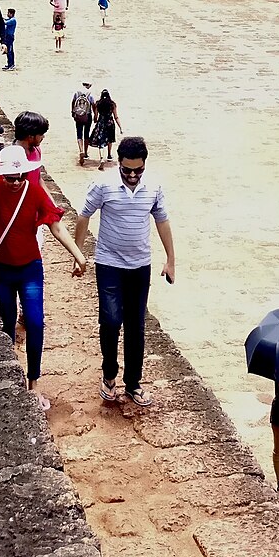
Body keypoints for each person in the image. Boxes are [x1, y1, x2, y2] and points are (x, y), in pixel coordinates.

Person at [0, 140, 87, 411]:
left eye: (19, 176)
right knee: (7, 323)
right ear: (1, 174)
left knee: (34, 322)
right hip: (2, 270)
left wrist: (78, 255)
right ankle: (11, 377)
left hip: (30, 267)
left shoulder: (33, 192)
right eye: (9, 177)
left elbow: (56, 227)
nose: (15, 182)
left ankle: (33, 383)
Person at [73, 136, 175, 407]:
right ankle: (109, 376)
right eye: (127, 170)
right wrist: (78, 254)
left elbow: (162, 221)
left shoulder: (153, 187)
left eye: (137, 170)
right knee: (109, 320)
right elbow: (84, 216)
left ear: (144, 165)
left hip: (140, 266)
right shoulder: (103, 184)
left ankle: (133, 383)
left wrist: (170, 260)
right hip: (109, 264)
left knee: (136, 327)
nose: (132, 175)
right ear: (118, 163)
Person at [91, 88, 122, 168]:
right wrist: (120, 127)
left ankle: (101, 158)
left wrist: (95, 120)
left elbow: (95, 117)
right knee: (110, 139)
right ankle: (109, 155)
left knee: (101, 142)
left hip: (101, 123)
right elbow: (116, 117)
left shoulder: (98, 103)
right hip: (110, 123)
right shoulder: (112, 104)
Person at [71, 80, 95, 164]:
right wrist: (95, 116)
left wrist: (73, 112)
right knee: (86, 134)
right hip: (87, 116)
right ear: (88, 85)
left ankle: (81, 150)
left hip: (78, 115)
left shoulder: (77, 92)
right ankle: (85, 153)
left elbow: (73, 102)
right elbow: (93, 105)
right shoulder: (90, 94)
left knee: (79, 134)